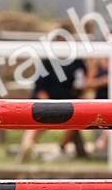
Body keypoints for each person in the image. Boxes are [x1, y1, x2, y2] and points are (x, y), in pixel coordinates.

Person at [17, 24, 88, 163]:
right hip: (47, 101)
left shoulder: (77, 61)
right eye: (59, 40)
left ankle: (59, 150)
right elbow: (40, 89)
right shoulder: (47, 61)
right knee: (36, 120)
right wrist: (50, 106)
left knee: (77, 118)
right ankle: (26, 147)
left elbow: (82, 86)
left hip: (68, 103)